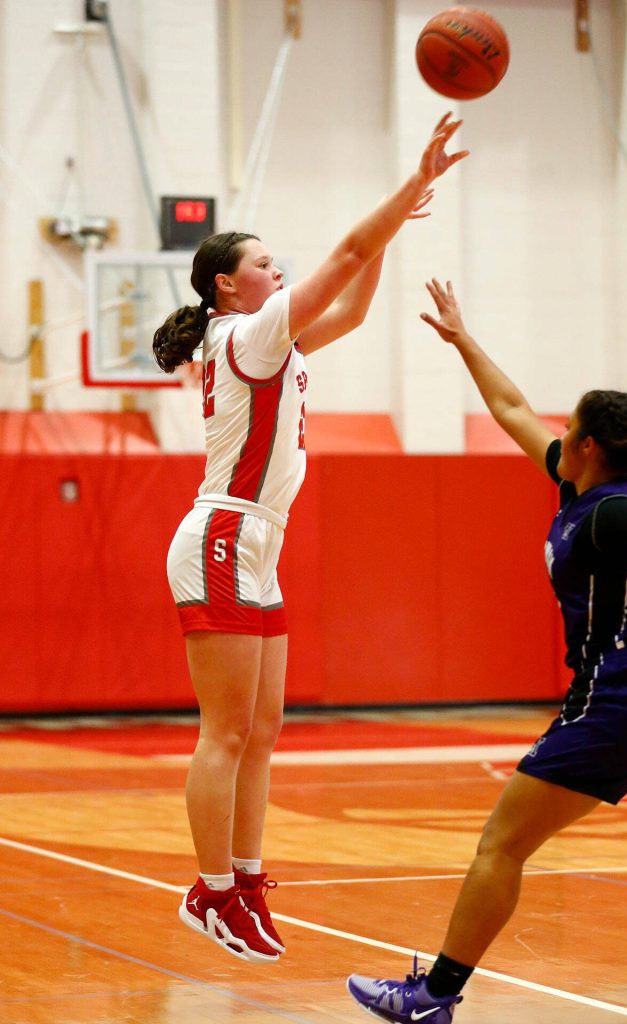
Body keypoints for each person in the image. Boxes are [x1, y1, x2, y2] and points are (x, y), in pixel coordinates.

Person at [152, 118, 468, 964]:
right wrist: (409, 188)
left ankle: (247, 883)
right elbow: (345, 255)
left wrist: (390, 233)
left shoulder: (268, 337)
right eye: (263, 263)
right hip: (224, 535)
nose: (277, 270)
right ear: (226, 286)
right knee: (225, 732)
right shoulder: (245, 332)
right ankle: (210, 891)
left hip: (257, 545)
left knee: (262, 729)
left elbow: (353, 302)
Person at [347, 278, 627, 1021]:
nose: (555, 430)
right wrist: (462, 339)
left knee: (500, 844)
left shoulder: (617, 513)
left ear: (588, 446)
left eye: (569, 425)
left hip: (619, 695)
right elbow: (509, 408)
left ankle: (432, 997)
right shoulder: (579, 486)